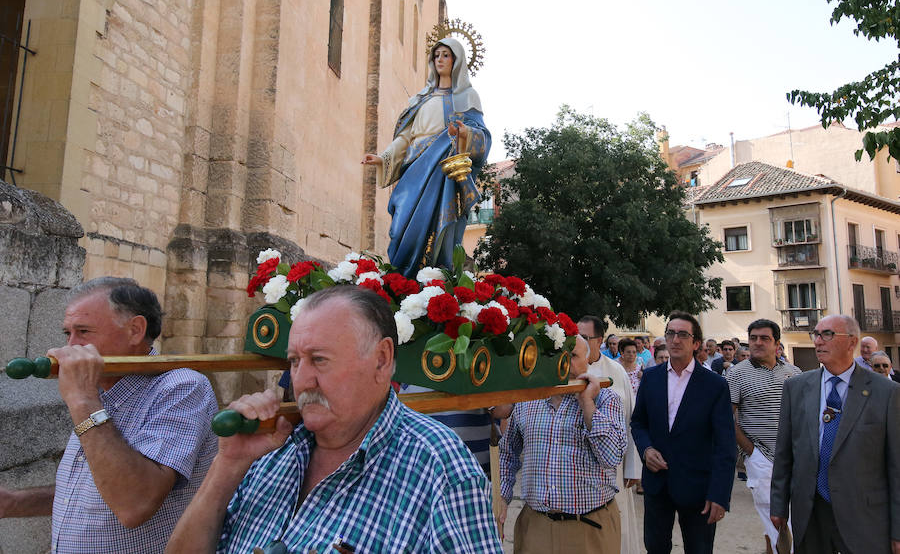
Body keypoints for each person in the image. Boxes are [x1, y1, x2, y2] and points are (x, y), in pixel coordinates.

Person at [167, 286, 501, 553]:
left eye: (320, 359)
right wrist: (227, 466)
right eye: (295, 361)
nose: (302, 380)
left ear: (382, 360)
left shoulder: (439, 467)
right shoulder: (269, 454)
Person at [0, 277, 218, 554]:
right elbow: (99, 492)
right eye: (67, 333)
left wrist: (82, 400)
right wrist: (13, 502)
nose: (70, 347)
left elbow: (134, 503)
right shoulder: (99, 391)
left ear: (135, 330)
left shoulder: (181, 388)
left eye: (84, 332)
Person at [361, 37, 490, 278]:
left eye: (446, 55)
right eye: (437, 55)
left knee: (437, 232)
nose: (440, 60)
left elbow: (482, 136)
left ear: (457, 60)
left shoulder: (468, 97)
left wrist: (463, 132)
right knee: (400, 230)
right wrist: (383, 159)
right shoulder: (420, 99)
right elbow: (406, 138)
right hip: (414, 172)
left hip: (442, 175)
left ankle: (431, 283)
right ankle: (400, 283)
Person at [771, 314, 900, 554]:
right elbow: (785, 452)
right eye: (816, 335)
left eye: (827, 334)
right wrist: (778, 506)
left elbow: (896, 466)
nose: (818, 341)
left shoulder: (887, 392)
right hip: (810, 514)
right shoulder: (796, 388)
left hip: (864, 516)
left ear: (852, 343)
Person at [499, 334, 626, 553]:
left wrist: (587, 403)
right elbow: (507, 453)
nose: (563, 361)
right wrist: (501, 498)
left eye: (573, 355)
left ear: (587, 360)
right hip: (536, 526)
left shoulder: (605, 399)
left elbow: (612, 456)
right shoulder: (529, 398)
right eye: (556, 354)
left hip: (589, 527)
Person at [631, 311, 736, 554]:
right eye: (670, 333)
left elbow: (725, 444)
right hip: (657, 485)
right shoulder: (650, 377)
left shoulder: (715, 385)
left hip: (699, 489)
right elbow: (638, 423)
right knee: (655, 548)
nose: (675, 340)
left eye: (683, 335)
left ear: (696, 343)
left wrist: (720, 495)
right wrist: (646, 449)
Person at [726, 319, 801, 554]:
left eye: (764, 338)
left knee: (795, 518)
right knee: (776, 520)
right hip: (762, 457)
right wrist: (751, 451)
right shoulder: (737, 374)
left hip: (795, 457)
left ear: (777, 344)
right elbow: (727, 418)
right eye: (753, 338)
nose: (757, 343)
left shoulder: (794, 372)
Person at [580, 316, 642, 554]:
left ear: (600, 340)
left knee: (619, 525)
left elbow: (631, 420)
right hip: (578, 466)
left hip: (611, 465)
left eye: (586, 338)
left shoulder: (615, 371)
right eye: (577, 337)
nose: (581, 343)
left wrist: (632, 467)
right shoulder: (567, 369)